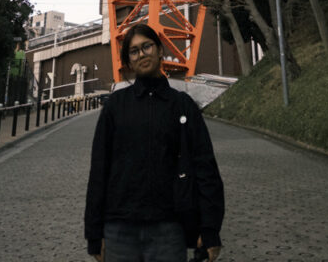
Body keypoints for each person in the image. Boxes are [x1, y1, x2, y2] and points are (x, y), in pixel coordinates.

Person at [84, 23, 224, 262]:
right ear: (128, 61)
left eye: (147, 46)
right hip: (119, 229)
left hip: (168, 228)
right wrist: (94, 233)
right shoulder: (115, 106)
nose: (142, 54)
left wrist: (210, 230)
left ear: (160, 51)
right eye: (134, 51)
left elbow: (205, 168)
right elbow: (99, 170)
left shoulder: (183, 106)